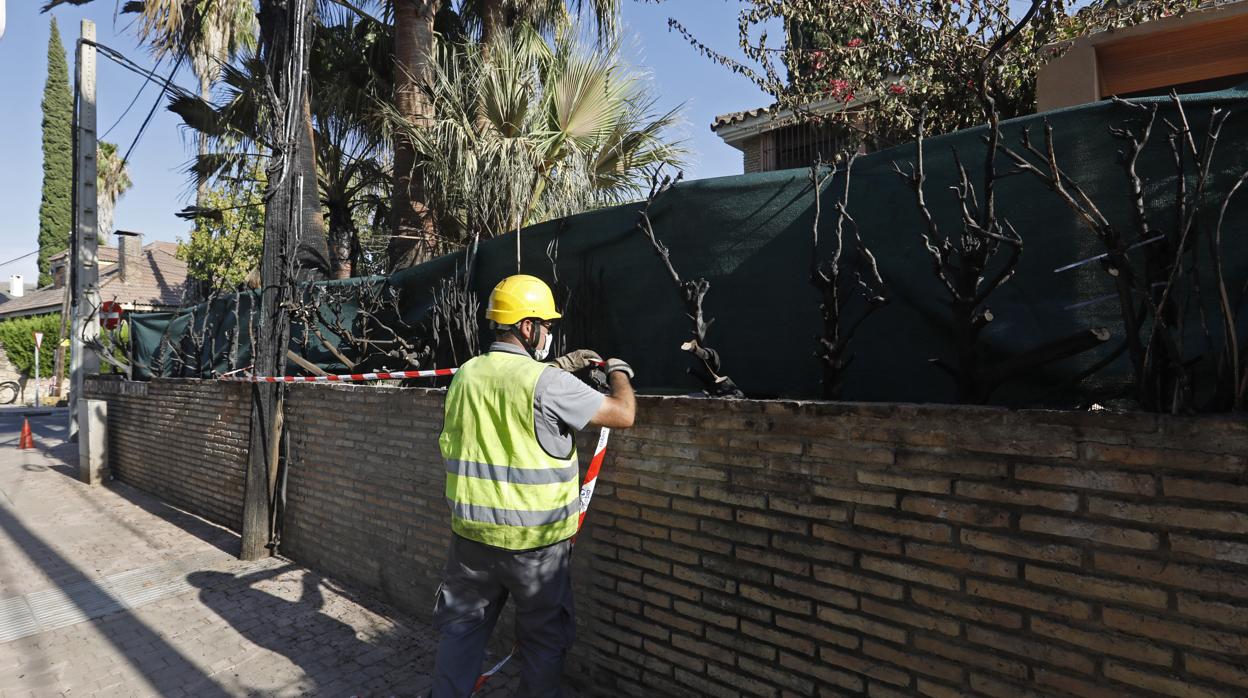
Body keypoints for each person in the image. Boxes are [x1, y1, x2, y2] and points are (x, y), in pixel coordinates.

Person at [432, 274, 636, 697]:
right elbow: (622, 414)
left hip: (471, 537)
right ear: (528, 326)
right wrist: (618, 372)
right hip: (536, 548)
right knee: (544, 643)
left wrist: (559, 367)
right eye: (546, 324)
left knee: (462, 634)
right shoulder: (548, 385)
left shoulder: (465, 375)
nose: (549, 333)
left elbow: (513, 388)